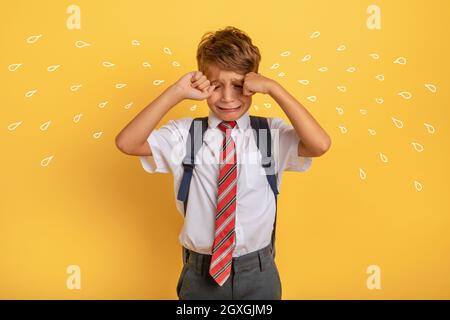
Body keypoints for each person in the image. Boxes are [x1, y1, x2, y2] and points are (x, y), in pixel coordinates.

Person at [115, 26, 331, 300]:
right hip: (200, 273)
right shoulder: (185, 135)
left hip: (259, 272)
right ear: (203, 84)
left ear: (254, 84)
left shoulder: (269, 135)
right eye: (216, 86)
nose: (228, 98)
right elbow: (127, 143)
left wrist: (275, 89)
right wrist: (176, 92)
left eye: (240, 86)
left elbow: (320, 145)